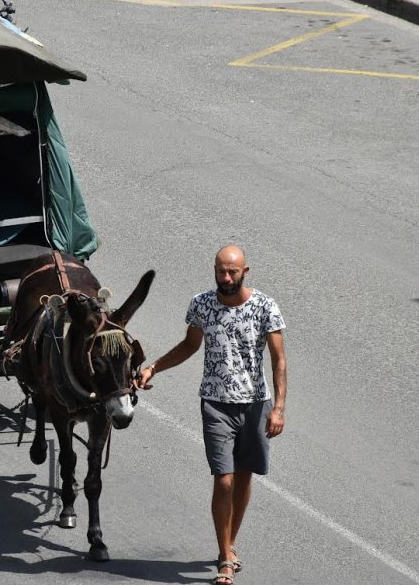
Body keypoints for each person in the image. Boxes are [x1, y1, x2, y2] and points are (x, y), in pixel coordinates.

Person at [136, 244, 287, 585]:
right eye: (221, 271)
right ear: (214, 270)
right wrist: (153, 368)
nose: (226, 277)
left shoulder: (265, 306)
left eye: (233, 272)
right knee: (224, 478)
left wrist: (278, 408)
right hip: (215, 404)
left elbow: (279, 359)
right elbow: (190, 345)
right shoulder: (202, 304)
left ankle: (229, 543)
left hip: (255, 404)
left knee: (245, 476)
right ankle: (225, 559)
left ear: (245, 272)